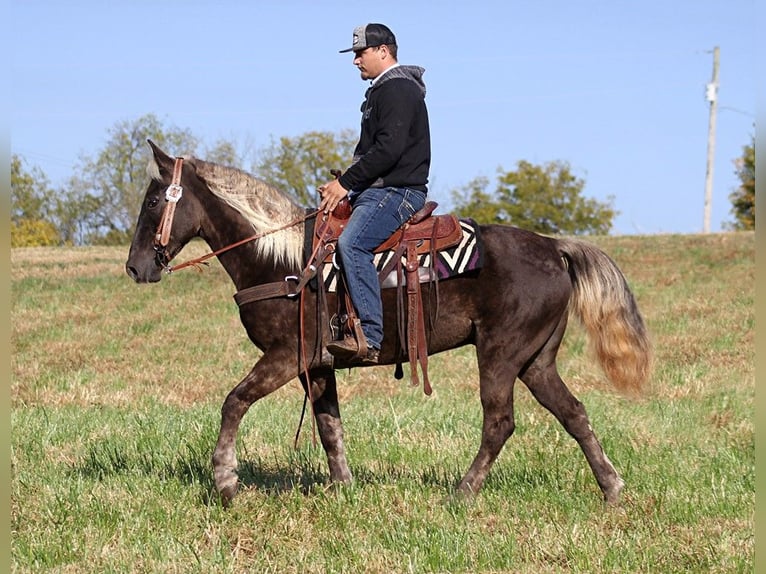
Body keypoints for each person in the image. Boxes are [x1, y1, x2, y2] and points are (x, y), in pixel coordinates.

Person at [318, 23, 431, 365]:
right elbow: (373, 152)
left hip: (398, 192)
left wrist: (345, 183)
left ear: (384, 51)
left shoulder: (397, 89)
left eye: (360, 53)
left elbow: (389, 150)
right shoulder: (381, 91)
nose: (355, 61)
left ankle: (370, 335)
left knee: (352, 244)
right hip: (378, 190)